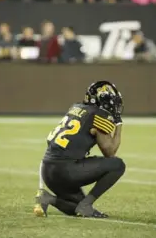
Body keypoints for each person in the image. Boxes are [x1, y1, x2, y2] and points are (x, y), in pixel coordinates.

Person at [34, 81, 125, 218]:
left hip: (48, 170)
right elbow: (110, 152)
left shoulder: (75, 108)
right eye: (109, 102)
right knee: (117, 165)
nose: (112, 106)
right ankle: (87, 204)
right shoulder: (98, 115)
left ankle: (47, 198)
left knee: (78, 209)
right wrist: (118, 124)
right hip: (66, 170)